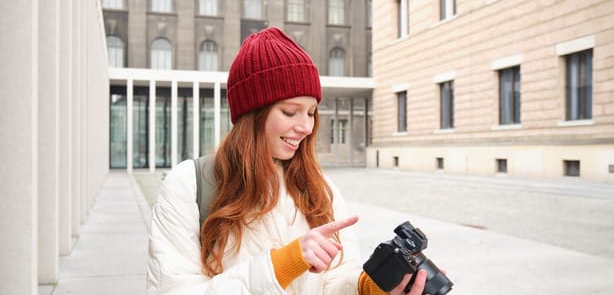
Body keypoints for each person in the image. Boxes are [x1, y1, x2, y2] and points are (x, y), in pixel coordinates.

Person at [147, 27, 427, 295]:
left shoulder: (320, 187)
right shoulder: (190, 185)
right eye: (291, 112)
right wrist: (282, 265)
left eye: (311, 112)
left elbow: (335, 279)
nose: (306, 127)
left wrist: (372, 288)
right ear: (252, 115)